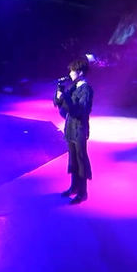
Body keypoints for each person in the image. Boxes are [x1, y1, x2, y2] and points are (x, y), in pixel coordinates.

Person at [54, 56, 94, 204]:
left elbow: (80, 111)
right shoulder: (74, 87)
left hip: (80, 128)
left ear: (80, 72)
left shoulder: (86, 90)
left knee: (81, 158)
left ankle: (83, 192)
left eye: (72, 71)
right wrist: (59, 90)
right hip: (70, 127)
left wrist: (66, 97)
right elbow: (59, 103)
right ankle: (74, 187)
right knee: (73, 158)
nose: (70, 73)